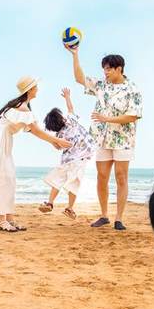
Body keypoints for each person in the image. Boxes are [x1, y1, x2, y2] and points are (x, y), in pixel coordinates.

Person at [0, 76, 72, 232]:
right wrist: (57, 140)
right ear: (30, 90)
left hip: (1, 141)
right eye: (36, 87)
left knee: (9, 179)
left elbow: (33, 131)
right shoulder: (22, 108)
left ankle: (9, 219)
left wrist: (53, 142)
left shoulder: (22, 106)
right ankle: (1, 221)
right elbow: (36, 130)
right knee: (4, 180)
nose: (38, 89)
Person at [67, 45, 143, 230]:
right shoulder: (101, 85)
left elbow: (133, 116)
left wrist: (107, 119)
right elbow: (79, 78)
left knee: (121, 177)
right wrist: (75, 54)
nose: (105, 72)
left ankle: (119, 218)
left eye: (108, 69)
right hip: (101, 138)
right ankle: (104, 215)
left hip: (123, 140)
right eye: (104, 69)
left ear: (119, 69)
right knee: (102, 176)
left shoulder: (132, 89)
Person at [38, 87, 96, 220]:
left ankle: (50, 203)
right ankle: (69, 208)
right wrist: (67, 97)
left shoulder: (59, 135)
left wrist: (54, 142)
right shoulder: (71, 121)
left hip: (66, 161)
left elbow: (58, 147)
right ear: (62, 118)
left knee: (57, 181)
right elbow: (70, 108)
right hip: (80, 160)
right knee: (74, 184)